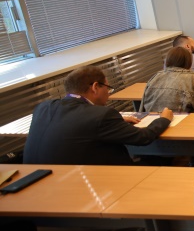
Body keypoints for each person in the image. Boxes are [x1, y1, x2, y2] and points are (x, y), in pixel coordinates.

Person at [24, 66, 173, 165]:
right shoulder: (101, 115)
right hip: (88, 182)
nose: (108, 93)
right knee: (165, 160)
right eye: (108, 88)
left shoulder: (43, 107)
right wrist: (164, 119)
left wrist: (115, 123)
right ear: (95, 87)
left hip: (37, 178)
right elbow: (143, 137)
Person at [142, 46, 194, 113]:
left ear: (167, 61)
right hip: (183, 119)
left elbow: (143, 108)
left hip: (152, 119)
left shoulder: (155, 77)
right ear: (189, 62)